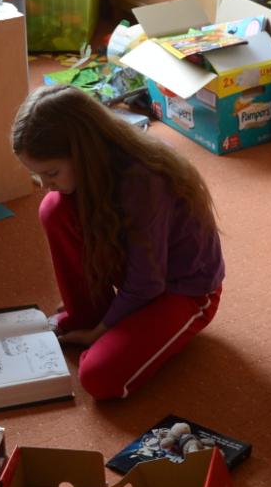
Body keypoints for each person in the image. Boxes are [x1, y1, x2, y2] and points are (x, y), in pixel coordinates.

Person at [11, 85, 223, 399]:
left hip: (183, 291)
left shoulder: (144, 180)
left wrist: (102, 333)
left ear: (82, 154)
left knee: (100, 377)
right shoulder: (94, 170)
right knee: (53, 208)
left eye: (51, 172)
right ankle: (88, 315)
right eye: (37, 175)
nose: (44, 184)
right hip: (131, 271)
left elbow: (147, 282)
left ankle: (106, 329)